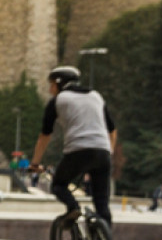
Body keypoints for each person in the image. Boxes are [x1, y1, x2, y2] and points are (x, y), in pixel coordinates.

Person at [31, 65, 116, 227]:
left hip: (78, 151)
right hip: (103, 151)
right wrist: (109, 152)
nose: (50, 90)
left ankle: (73, 208)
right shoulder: (96, 96)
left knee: (58, 185)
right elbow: (112, 130)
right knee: (102, 203)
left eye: (52, 85)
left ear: (59, 83)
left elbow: (45, 136)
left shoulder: (58, 100)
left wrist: (35, 163)